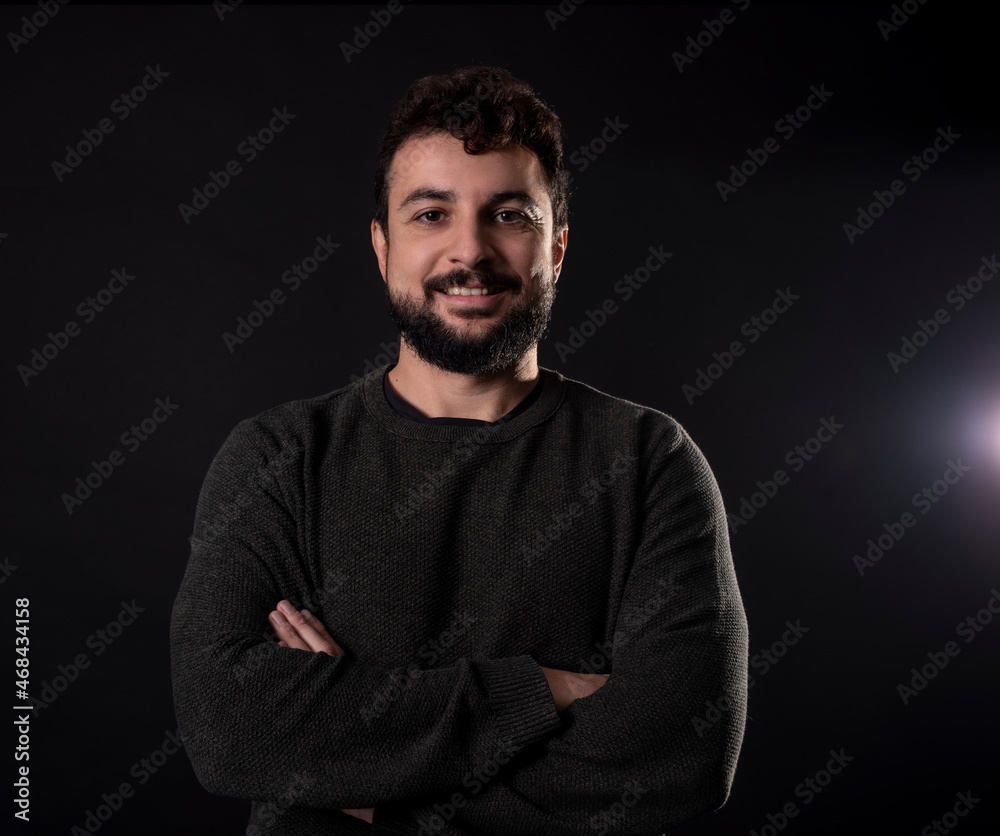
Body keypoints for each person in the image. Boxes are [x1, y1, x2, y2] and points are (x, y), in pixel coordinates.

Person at [170, 65, 748, 835]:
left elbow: (682, 757)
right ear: (381, 246)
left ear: (559, 247)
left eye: (508, 214)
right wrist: (541, 691)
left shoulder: (648, 461)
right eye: (431, 214)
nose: (468, 252)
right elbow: (230, 730)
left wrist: (375, 782)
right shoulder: (278, 457)